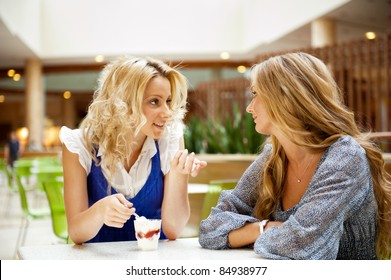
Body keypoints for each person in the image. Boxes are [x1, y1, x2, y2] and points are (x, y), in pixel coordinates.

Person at [199, 52, 391, 260]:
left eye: (256, 94)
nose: (249, 107)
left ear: (284, 98)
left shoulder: (344, 156)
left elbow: (303, 246)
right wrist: (264, 228)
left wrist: (244, 233)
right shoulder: (274, 157)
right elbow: (210, 229)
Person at [60, 56, 207, 244]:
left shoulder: (168, 138)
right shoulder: (79, 144)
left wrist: (179, 174)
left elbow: (173, 230)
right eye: (154, 101)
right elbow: (75, 232)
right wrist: (99, 211)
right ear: (123, 104)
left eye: (168, 101)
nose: (167, 112)